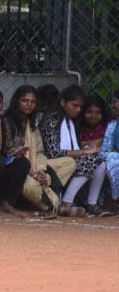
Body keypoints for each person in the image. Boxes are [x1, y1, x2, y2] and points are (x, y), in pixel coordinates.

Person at [44, 85, 103, 217]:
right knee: (89, 159)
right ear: (62, 102)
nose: (78, 110)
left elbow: (73, 145)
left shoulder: (72, 120)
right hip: (52, 162)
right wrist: (84, 152)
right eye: (75, 105)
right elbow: (53, 152)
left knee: (101, 162)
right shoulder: (52, 119)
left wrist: (89, 146)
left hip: (68, 159)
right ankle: (67, 202)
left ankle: (92, 203)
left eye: (80, 106)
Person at [4, 84, 62, 215]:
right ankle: (50, 206)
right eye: (25, 101)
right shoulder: (7, 122)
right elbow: (7, 152)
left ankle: (44, 185)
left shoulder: (31, 124)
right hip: (17, 168)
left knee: (69, 163)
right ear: (17, 101)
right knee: (30, 187)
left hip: (35, 165)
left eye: (32, 102)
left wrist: (40, 170)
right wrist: (33, 173)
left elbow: (39, 152)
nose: (29, 105)